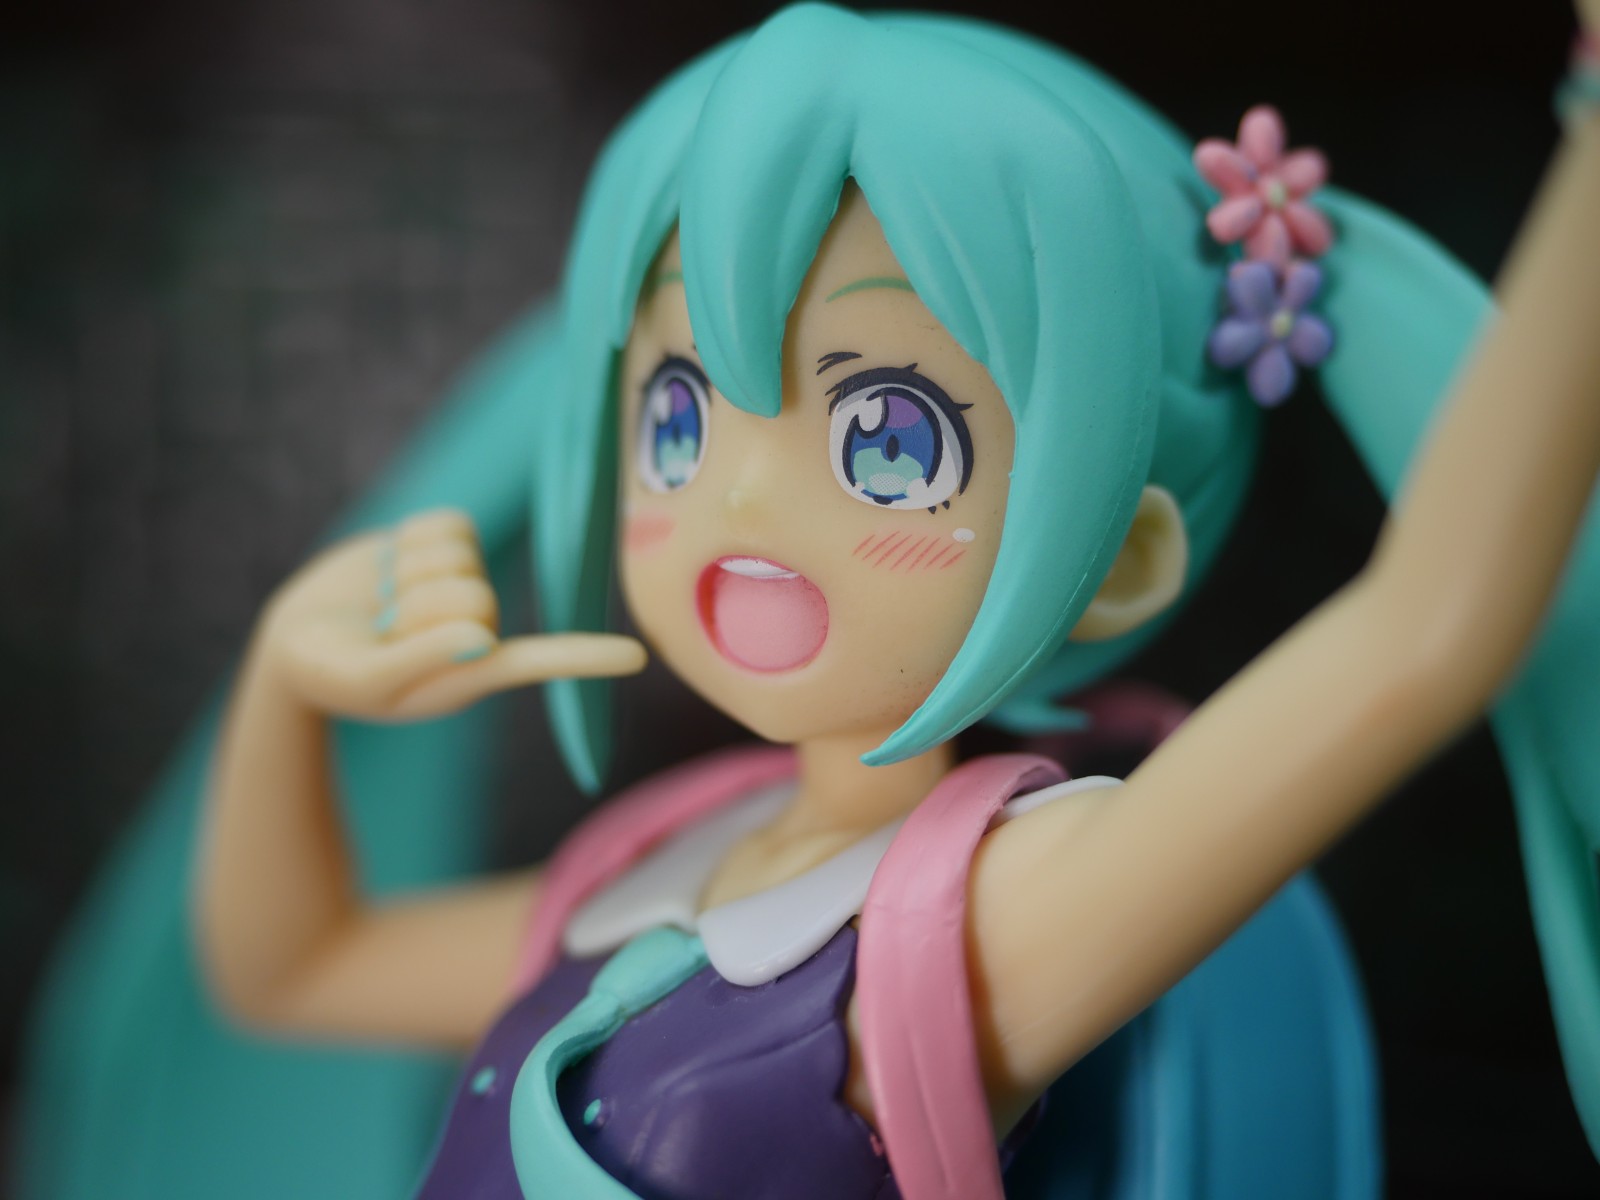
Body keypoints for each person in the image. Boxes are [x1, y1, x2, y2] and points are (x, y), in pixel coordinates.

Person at [19, 4, 1600, 1197]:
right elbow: (294, 969)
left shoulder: (992, 918)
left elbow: (1426, 630)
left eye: (886, 439)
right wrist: (286, 693)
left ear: (1119, 555)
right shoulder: (654, 874)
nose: (740, 503)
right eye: (680, 417)